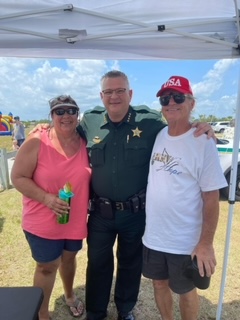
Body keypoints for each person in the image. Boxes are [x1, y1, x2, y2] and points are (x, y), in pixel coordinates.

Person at [31, 71, 214, 320]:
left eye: (120, 91)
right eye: (108, 91)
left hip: (135, 213)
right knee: (97, 264)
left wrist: (202, 126)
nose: (114, 96)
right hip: (100, 214)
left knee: (130, 265)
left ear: (130, 93)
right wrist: (43, 128)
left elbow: (178, 127)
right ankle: (96, 311)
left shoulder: (150, 122)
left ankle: (125, 309)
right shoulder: (90, 121)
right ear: (101, 95)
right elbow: (65, 129)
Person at [142, 75, 227, 320]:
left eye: (178, 96)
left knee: (186, 291)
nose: (171, 102)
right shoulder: (159, 136)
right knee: (159, 284)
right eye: (165, 98)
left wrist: (205, 244)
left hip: (185, 240)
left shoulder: (203, 141)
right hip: (155, 236)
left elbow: (211, 197)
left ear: (192, 103)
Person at [11, 95, 91, 320]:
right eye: (59, 111)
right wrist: (46, 198)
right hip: (42, 219)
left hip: (73, 219)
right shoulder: (37, 140)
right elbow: (17, 177)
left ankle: (69, 296)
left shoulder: (86, 140)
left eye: (71, 111)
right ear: (51, 116)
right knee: (47, 267)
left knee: (69, 259)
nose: (66, 115)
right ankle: (42, 312)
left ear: (77, 114)